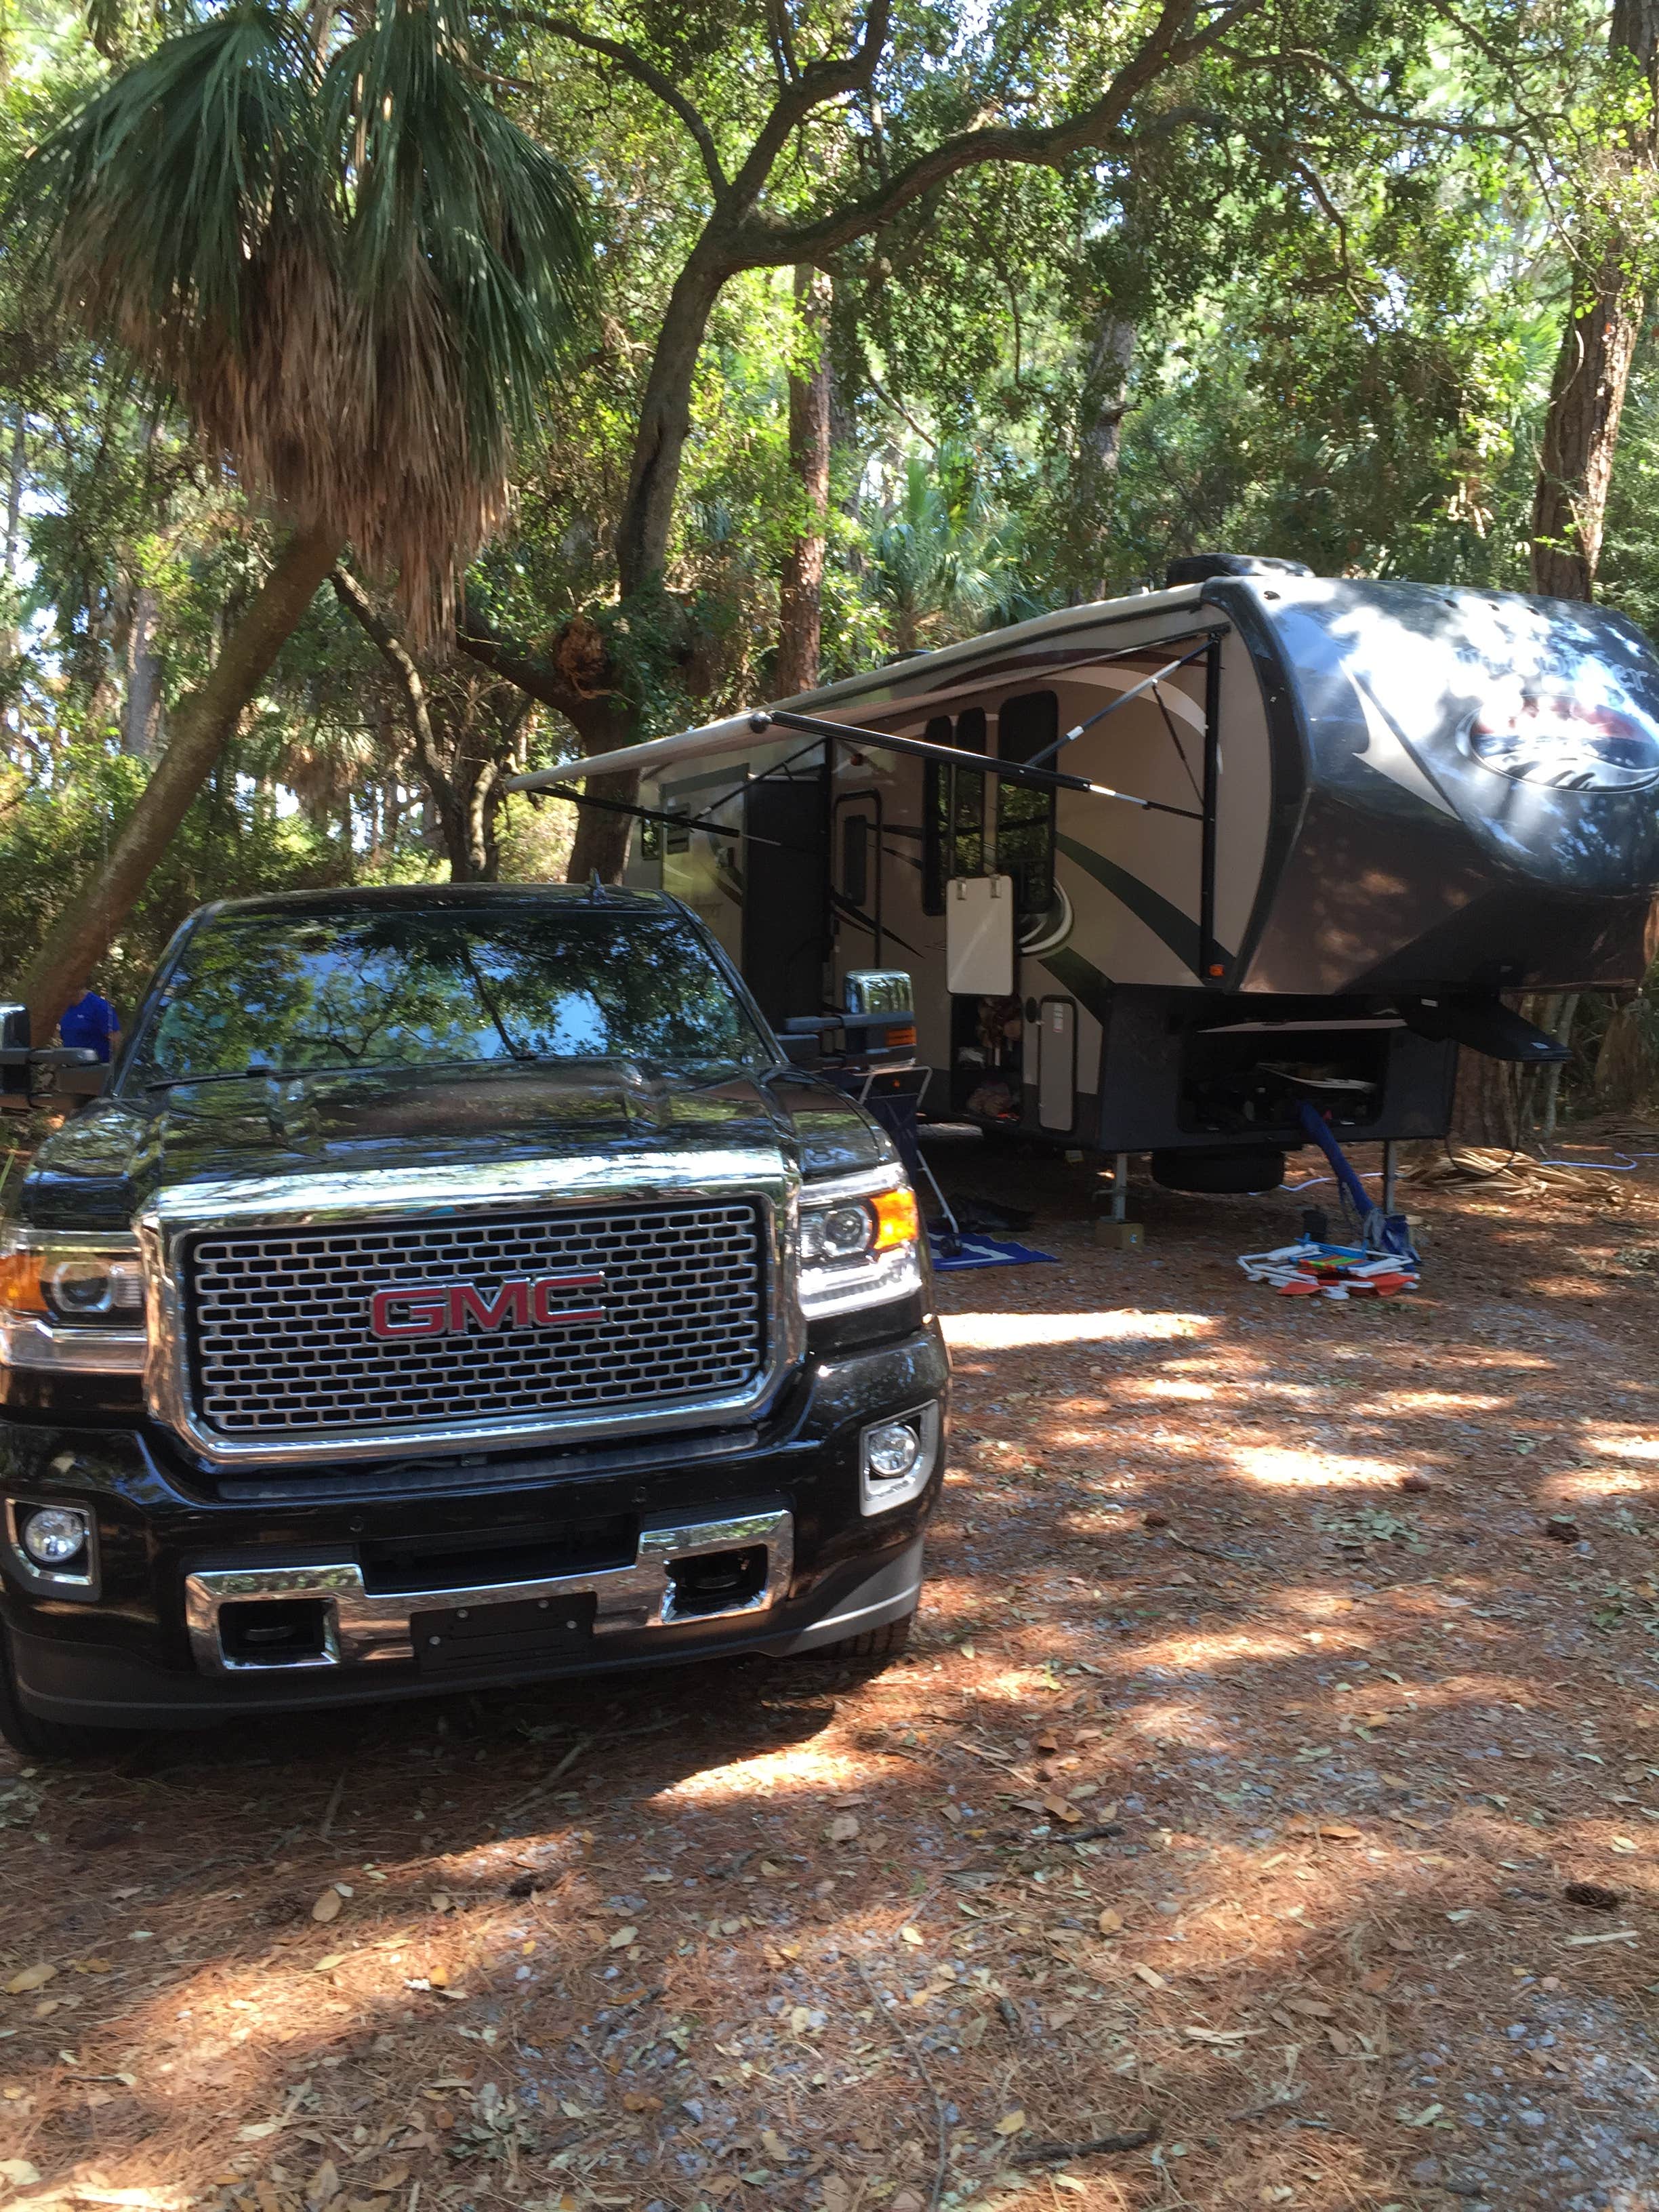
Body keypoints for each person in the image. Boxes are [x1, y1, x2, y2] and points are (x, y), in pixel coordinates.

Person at [59, 988, 121, 1063]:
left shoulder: (99, 1006)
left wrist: (114, 1065)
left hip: (97, 1066)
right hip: (71, 1066)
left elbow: (115, 1040)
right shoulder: (64, 1008)